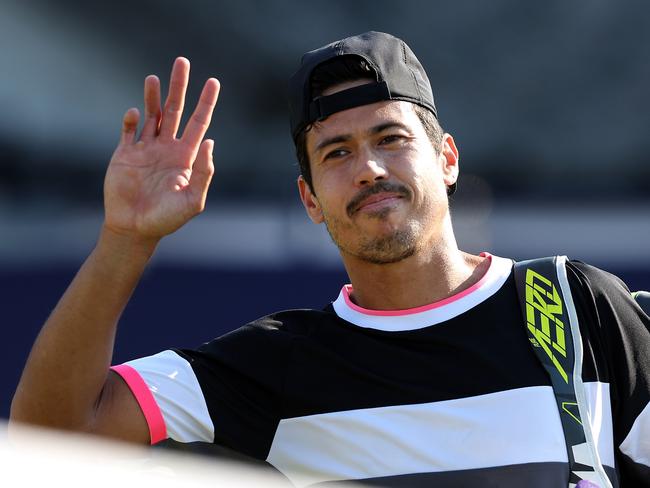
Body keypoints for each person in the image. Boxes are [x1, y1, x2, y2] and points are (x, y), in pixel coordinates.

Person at [10, 31, 650, 487]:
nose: (369, 169)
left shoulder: (576, 304)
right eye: (337, 153)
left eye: (390, 138)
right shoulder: (276, 363)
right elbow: (52, 434)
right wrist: (127, 237)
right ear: (310, 199)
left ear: (447, 159)